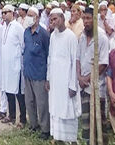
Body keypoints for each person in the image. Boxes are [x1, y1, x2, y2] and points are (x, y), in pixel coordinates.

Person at [46, 8, 81, 143]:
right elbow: (50, 58)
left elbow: (74, 62)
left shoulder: (70, 36)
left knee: (67, 109)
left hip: (67, 81)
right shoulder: (53, 36)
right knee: (56, 107)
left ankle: (71, 139)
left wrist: (73, 85)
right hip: (55, 80)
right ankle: (58, 138)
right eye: (51, 19)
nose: (53, 21)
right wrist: (48, 78)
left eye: (55, 19)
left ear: (62, 18)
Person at [77, 6, 109, 143]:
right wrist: (79, 77)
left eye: (88, 18)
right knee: (86, 121)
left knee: (98, 120)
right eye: (84, 18)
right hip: (83, 85)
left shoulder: (101, 37)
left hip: (96, 86)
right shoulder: (82, 37)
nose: (86, 22)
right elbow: (78, 58)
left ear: (95, 19)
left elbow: (102, 64)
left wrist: (88, 78)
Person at [23, 6, 51, 139]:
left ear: (37, 18)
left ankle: (45, 129)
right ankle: (33, 125)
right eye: (27, 15)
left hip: (39, 74)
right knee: (29, 101)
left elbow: (48, 54)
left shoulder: (44, 34)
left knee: (42, 103)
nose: (28, 18)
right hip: (27, 72)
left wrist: (47, 76)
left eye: (31, 15)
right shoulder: (26, 32)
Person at [0, 4, 26, 126]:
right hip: (6, 66)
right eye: (2, 13)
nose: (4, 15)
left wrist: (17, 59)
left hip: (15, 66)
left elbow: (23, 45)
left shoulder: (17, 27)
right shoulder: (4, 27)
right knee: (8, 91)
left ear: (12, 13)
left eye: (6, 12)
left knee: (18, 93)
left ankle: (22, 119)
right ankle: (11, 116)